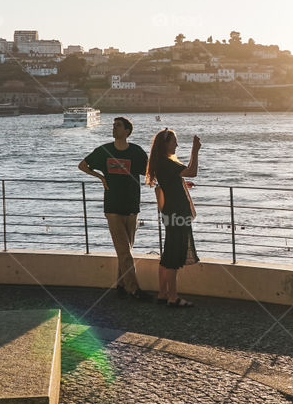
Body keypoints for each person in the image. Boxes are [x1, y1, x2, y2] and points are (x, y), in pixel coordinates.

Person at [78, 116, 150, 300]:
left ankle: (121, 284)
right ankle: (133, 289)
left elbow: (150, 172)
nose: (114, 128)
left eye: (118, 126)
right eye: (113, 125)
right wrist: (101, 177)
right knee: (124, 251)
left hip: (132, 205)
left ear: (127, 131)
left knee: (125, 250)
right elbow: (83, 165)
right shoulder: (105, 151)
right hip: (112, 207)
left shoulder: (136, 152)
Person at [146, 128, 201, 306]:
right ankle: (173, 297)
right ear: (165, 144)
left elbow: (173, 180)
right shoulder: (167, 163)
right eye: (174, 141)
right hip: (178, 212)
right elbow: (192, 171)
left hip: (171, 211)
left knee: (169, 252)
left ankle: (163, 293)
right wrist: (195, 150)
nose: (176, 145)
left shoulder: (162, 163)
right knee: (174, 255)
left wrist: (181, 183)